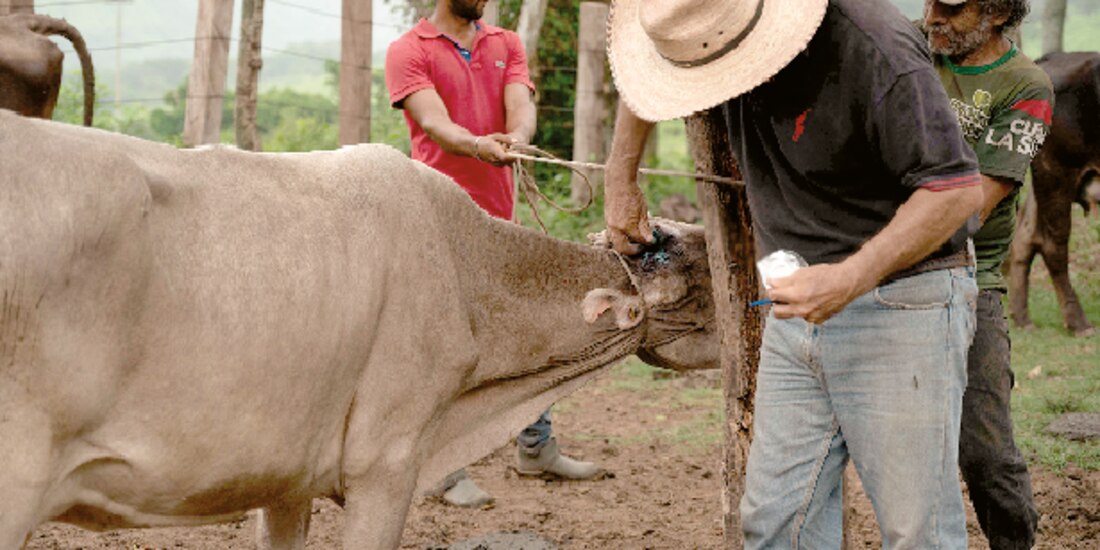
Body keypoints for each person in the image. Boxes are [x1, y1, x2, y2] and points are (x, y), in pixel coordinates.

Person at [604, 0, 984, 547]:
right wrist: (621, 178)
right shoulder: (698, 27)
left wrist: (849, 279)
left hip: (903, 302)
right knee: (777, 521)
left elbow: (954, 192)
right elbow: (644, 84)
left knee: (916, 531)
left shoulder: (874, 47)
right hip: (796, 309)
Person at [384, 0, 604, 508]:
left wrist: (517, 139)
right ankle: (444, 470)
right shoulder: (407, 51)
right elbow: (434, 124)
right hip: (440, 223)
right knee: (450, 346)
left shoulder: (505, 43)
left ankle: (536, 447)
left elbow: (521, 107)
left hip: (501, 221)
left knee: (528, 329)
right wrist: (478, 146)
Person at [924, 1, 1050, 547]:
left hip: (970, 279)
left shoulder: (1025, 86)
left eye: (952, 9)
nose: (933, 16)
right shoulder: (909, 46)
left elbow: (970, 209)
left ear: (997, 12)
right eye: (929, 2)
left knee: (985, 451)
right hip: (878, 270)